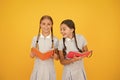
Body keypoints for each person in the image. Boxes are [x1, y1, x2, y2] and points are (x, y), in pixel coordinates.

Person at [30, 15, 59, 80]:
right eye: (43, 24)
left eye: (48, 24)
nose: (46, 26)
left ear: (51, 25)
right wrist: (34, 53)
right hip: (38, 69)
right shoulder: (35, 39)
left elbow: (57, 58)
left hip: (49, 70)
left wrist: (53, 55)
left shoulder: (56, 40)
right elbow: (31, 56)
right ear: (40, 25)